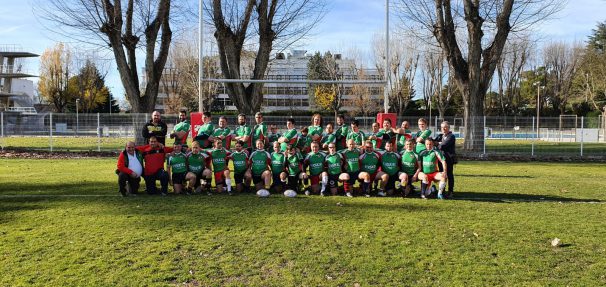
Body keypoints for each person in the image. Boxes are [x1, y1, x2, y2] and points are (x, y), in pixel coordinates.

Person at [434, 121, 456, 198]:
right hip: (441, 159)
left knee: (449, 175)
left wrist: (438, 144)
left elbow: (443, 146)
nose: (443, 129)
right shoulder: (440, 136)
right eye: (442, 127)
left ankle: (450, 191)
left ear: (448, 128)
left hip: (449, 159)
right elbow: (433, 142)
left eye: (445, 127)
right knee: (442, 175)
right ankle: (442, 190)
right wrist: (437, 143)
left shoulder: (451, 136)